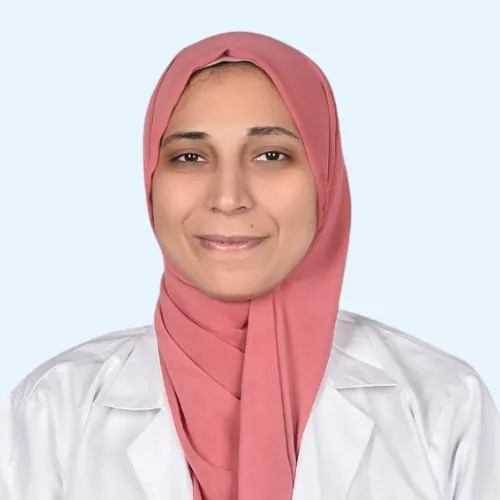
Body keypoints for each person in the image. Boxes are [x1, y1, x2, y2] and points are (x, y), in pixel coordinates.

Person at [1, 31, 499, 500]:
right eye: (190, 157)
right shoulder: (53, 411)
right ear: (151, 181)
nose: (228, 197)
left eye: (271, 155)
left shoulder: (443, 406)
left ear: (324, 179)